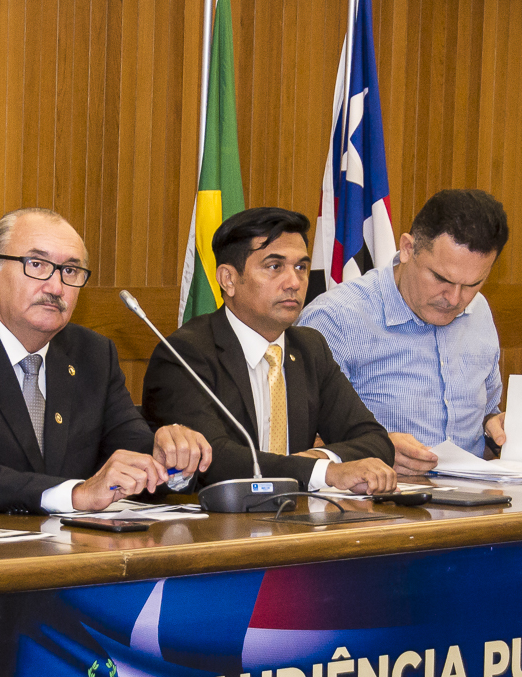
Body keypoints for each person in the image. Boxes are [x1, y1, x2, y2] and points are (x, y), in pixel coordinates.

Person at [0, 208, 212, 513]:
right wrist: (74, 494)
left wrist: (169, 460)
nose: (56, 286)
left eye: (70, 270)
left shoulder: (93, 353)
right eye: (36, 265)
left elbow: (131, 453)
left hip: (71, 555)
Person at [141, 208, 397, 495]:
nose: (294, 283)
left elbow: (375, 440)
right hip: (218, 527)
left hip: (295, 518)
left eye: (301, 267)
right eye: (275, 267)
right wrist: (324, 472)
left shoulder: (310, 348)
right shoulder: (186, 353)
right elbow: (215, 459)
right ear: (228, 279)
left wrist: (319, 458)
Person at [299, 188, 509, 476]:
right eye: (441, 278)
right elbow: (296, 442)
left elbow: (488, 410)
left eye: (473, 284)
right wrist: (371, 450)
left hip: (475, 503)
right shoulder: (336, 319)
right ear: (408, 249)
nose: (454, 298)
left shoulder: (479, 311)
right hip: (377, 508)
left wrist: (493, 426)